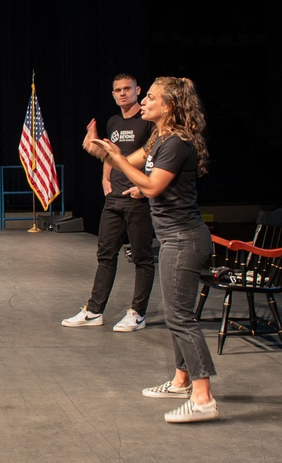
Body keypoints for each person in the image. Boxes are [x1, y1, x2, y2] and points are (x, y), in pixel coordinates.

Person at [87, 76, 217, 423]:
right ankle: (180, 381)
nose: (143, 103)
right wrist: (103, 152)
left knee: (180, 317)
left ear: (169, 106)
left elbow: (153, 183)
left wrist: (126, 170)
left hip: (183, 238)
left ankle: (203, 398)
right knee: (178, 313)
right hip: (175, 236)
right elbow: (131, 166)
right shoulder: (160, 137)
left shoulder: (176, 142)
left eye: (152, 98)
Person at [62, 73, 156, 332]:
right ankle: (94, 311)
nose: (123, 93)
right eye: (117, 90)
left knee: (142, 258)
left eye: (127, 88)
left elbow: (154, 156)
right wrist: (105, 178)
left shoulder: (147, 121)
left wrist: (144, 187)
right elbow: (111, 154)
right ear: (113, 94)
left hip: (138, 199)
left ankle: (137, 313)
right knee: (105, 255)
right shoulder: (113, 122)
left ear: (138, 90)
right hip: (114, 199)